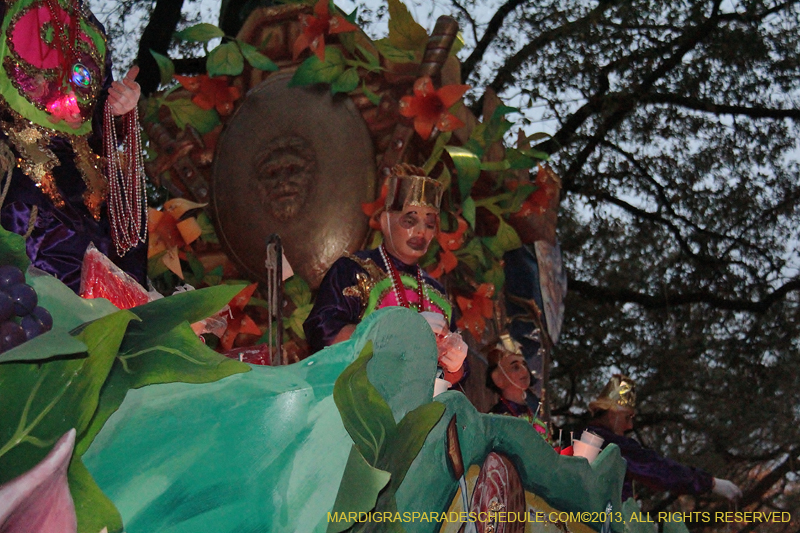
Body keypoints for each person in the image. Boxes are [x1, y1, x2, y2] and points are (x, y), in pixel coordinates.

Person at [0, 0, 146, 293]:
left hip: (83, 189)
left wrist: (120, 106)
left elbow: (97, 121)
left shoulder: (90, 26)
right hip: (19, 174)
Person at [303, 163, 467, 384]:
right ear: (385, 221)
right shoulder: (353, 271)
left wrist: (455, 365)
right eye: (410, 220)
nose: (420, 231)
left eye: (429, 223)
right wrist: (400, 332)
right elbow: (322, 332)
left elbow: (453, 378)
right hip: (356, 404)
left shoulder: (436, 293)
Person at [584, 374, 742, 501]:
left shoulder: (580, 439)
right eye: (627, 418)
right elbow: (657, 469)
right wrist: (710, 483)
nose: (630, 426)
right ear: (612, 414)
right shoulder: (612, 446)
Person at [486, 333, 549, 438]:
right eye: (515, 367)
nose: (524, 371)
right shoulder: (495, 420)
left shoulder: (538, 422)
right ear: (498, 379)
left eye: (524, 364)